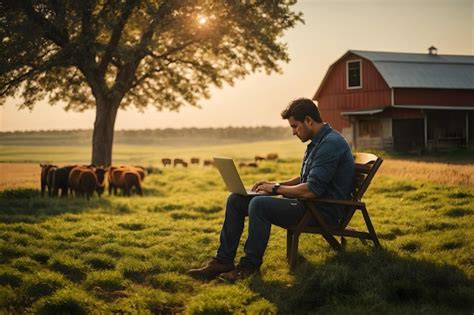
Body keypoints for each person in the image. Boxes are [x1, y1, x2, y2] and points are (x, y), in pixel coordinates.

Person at [187, 98, 355, 283]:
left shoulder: (330, 144)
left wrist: (276, 188)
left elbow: (311, 190)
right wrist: (274, 184)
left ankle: (249, 268)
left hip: (321, 211)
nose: (293, 132)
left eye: (294, 126)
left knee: (260, 204)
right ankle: (223, 261)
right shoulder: (318, 142)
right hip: (309, 205)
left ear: (308, 120)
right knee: (236, 200)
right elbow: (305, 178)